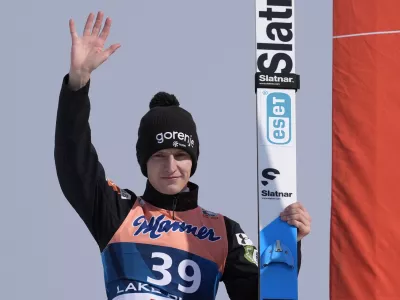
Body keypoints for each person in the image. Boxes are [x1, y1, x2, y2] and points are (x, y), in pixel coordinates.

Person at [54, 11, 312, 300]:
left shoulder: (223, 231)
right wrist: (77, 86)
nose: (171, 166)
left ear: (193, 160)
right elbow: (73, 161)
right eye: (159, 155)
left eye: (180, 155)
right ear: (144, 162)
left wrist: (289, 244)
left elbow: (262, 296)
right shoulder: (118, 212)